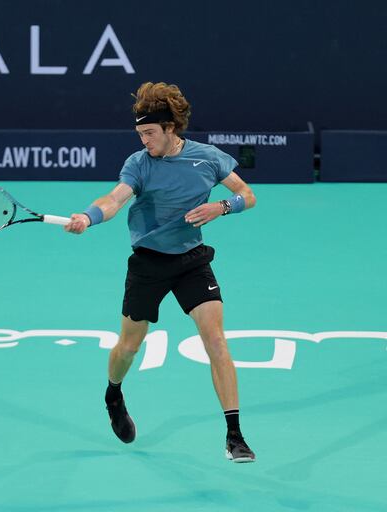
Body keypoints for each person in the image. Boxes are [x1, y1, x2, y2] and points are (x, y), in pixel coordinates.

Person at [65, 82, 257, 462]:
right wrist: (88, 216)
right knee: (129, 346)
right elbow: (115, 198)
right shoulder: (139, 164)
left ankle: (234, 435)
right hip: (149, 263)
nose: (145, 141)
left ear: (171, 128)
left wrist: (221, 207)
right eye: (140, 134)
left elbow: (247, 195)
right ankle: (113, 393)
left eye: (150, 133)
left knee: (215, 339)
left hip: (192, 260)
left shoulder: (208, 158)